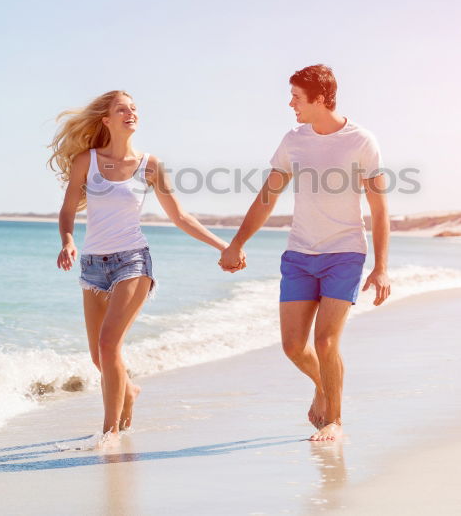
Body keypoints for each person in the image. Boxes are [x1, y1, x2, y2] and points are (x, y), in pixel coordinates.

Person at [49, 90, 241, 448]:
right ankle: (130, 391)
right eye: (122, 109)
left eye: (134, 109)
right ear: (106, 119)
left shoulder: (150, 165)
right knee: (99, 356)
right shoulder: (85, 161)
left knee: (109, 343)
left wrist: (225, 246)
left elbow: (179, 215)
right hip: (92, 264)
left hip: (133, 260)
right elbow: (68, 209)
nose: (131, 113)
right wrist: (68, 241)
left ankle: (109, 432)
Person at [219, 65, 391, 442]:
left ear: (319, 98)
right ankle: (324, 386)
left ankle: (335, 421)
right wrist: (237, 243)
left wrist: (380, 268)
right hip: (299, 252)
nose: (290, 103)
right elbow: (267, 197)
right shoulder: (293, 140)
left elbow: (379, 209)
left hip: (344, 253)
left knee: (326, 342)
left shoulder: (361, 141)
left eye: (296, 97)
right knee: (294, 346)